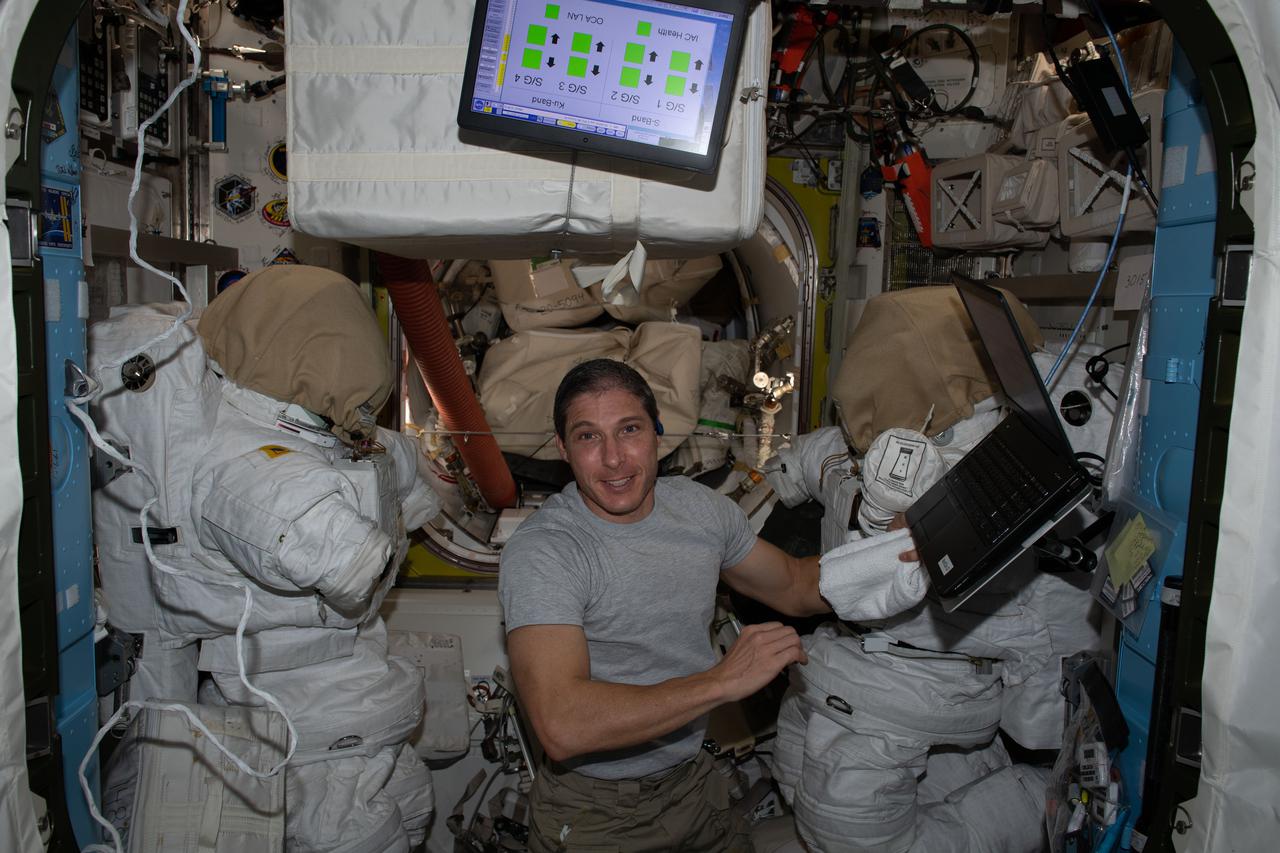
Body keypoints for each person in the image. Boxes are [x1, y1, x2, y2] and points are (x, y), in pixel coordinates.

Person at [499, 358, 910, 852]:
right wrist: (720, 682)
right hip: (595, 812)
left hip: (695, 784)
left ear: (658, 433)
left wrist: (890, 549)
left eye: (629, 429)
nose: (613, 458)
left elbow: (796, 584)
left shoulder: (699, 510)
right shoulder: (547, 550)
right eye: (589, 437)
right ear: (564, 449)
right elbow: (562, 724)